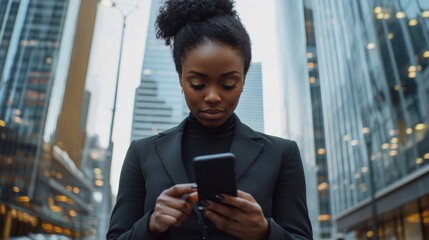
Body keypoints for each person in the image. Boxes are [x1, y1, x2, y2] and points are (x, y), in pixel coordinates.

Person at [107, 0, 313, 239]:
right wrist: (151, 224)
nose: (213, 96)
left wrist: (265, 231)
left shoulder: (282, 154)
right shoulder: (141, 153)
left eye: (228, 84)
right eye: (198, 84)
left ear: (244, 79)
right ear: (181, 78)